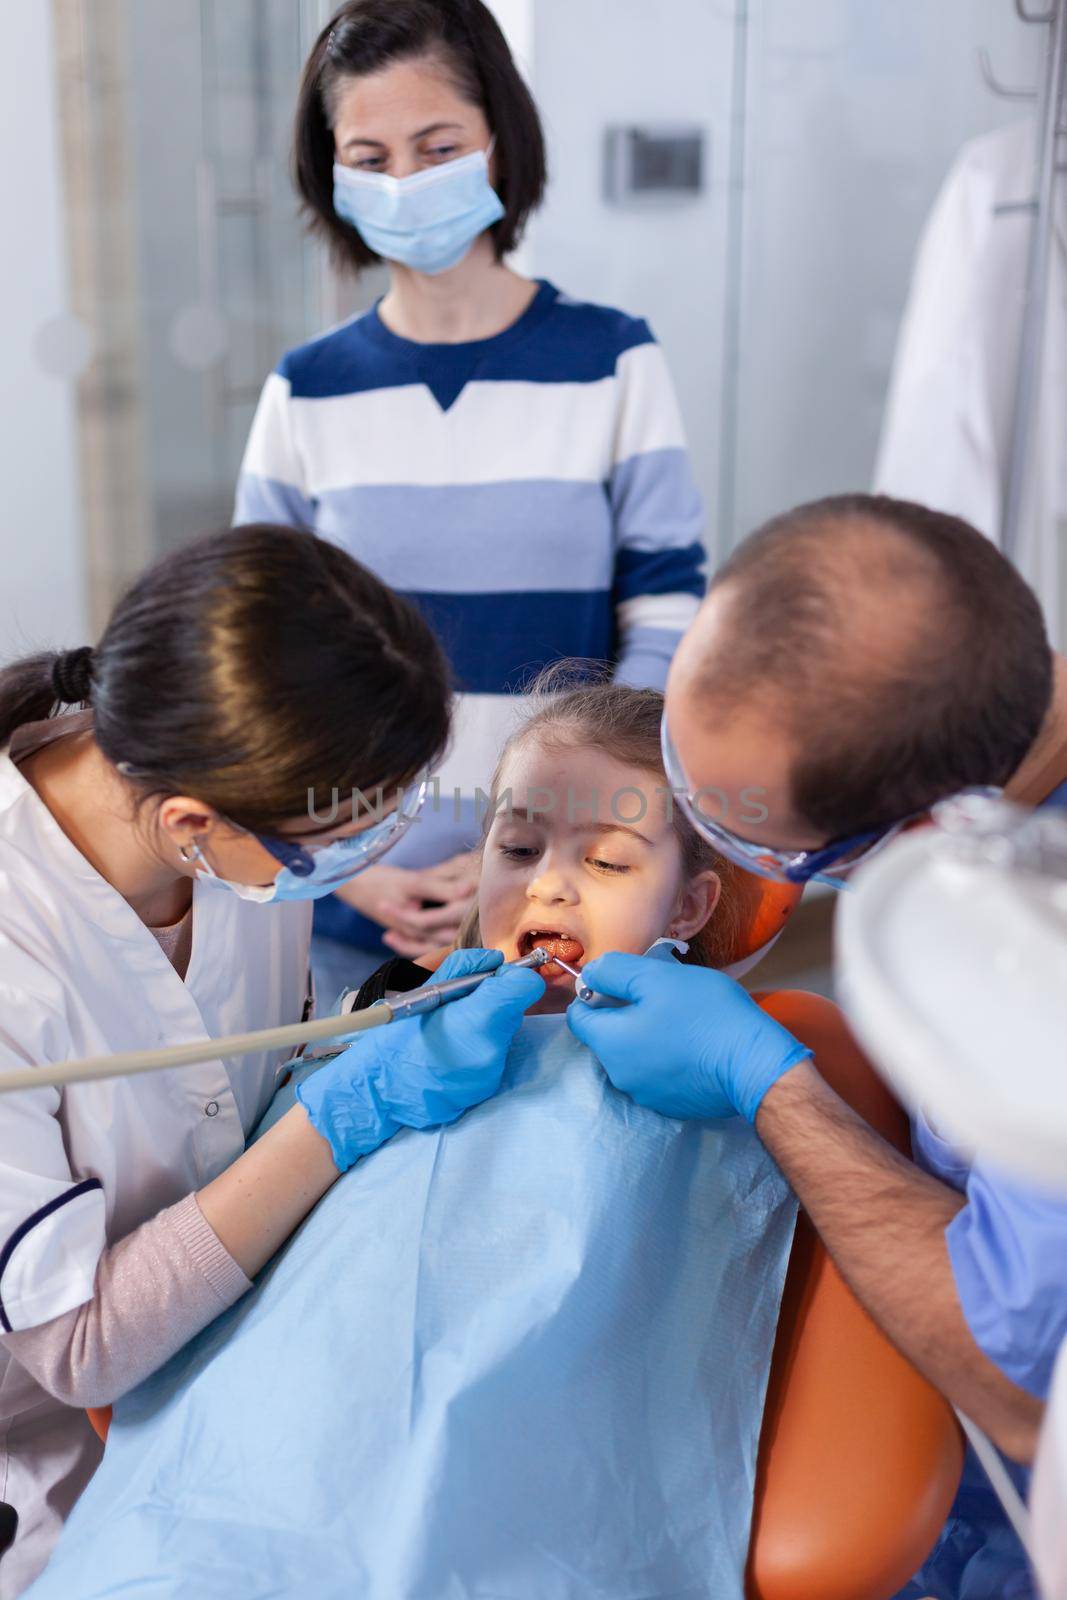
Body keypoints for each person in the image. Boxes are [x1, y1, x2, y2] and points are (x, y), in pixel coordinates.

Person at [25, 681, 799, 1600]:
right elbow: (126, 1331)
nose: (547, 882)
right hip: (244, 1480)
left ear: (687, 907)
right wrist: (363, 1065)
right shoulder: (372, 1035)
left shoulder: (711, 1076)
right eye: (516, 847)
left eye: (607, 863)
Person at [0, 524, 543, 1596]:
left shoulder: (220, 844)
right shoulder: (19, 950)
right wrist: (335, 1113)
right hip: (43, 1441)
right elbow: (80, 1349)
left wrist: (368, 1027)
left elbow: (234, 1080)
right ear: (192, 823)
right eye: (341, 841)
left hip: (222, 1349)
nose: (361, 862)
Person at [566, 493, 1067, 1599]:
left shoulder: (1043, 970)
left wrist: (769, 1089)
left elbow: (1017, 1384)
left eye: (738, 828)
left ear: (927, 831)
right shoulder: (955, 671)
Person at [234, 0, 706, 998]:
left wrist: (541, 857)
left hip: (562, 903)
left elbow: (666, 611)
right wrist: (355, 873)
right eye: (367, 155)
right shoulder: (305, 390)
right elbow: (259, 661)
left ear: (496, 144)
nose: (401, 182)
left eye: (434, 145)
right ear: (331, 174)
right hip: (351, 898)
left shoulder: (610, 361)